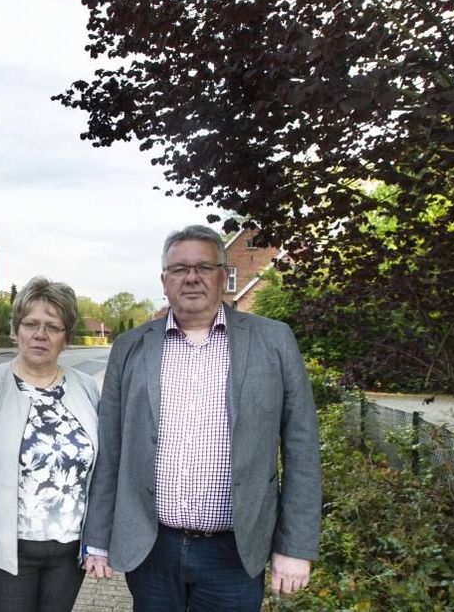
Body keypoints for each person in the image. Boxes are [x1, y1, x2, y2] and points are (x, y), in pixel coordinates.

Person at [82, 225, 321, 610]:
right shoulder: (130, 348)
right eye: (178, 269)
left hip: (235, 553)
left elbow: (303, 450)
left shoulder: (274, 341)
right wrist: (98, 537)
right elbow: (111, 450)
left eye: (203, 267)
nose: (191, 277)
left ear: (222, 276)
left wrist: (295, 546)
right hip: (151, 548)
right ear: (164, 280)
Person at [0, 276, 101, 612]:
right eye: (30, 324)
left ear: (66, 337)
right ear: (16, 330)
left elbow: (101, 471)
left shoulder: (86, 388)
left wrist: (98, 542)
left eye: (53, 327)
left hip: (68, 554)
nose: (40, 334)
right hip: (4, 554)